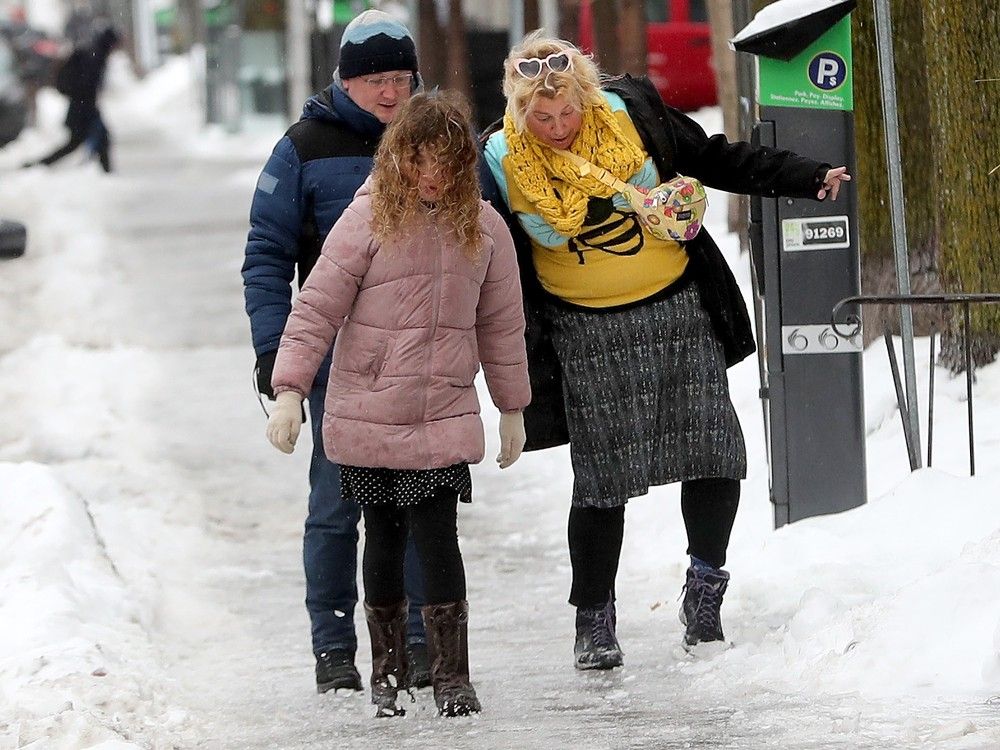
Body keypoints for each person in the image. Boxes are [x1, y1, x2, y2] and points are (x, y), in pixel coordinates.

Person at [480, 32, 851, 668]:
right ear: (519, 110)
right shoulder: (499, 157)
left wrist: (805, 176)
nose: (558, 127)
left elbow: (714, 158)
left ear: (585, 94)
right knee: (601, 478)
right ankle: (594, 620)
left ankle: (705, 590)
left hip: (677, 310)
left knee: (712, 450)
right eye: (541, 117)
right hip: (585, 331)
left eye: (567, 111)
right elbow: (484, 254)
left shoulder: (632, 115)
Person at [264, 91, 531, 718]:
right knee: (381, 538)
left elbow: (502, 326)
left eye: (444, 161)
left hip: (442, 408)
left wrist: (513, 406)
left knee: (439, 538)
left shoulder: (486, 228)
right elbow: (317, 308)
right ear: (398, 159)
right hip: (370, 408)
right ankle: (385, 671)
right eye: (419, 160)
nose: (432, 174)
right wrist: (289, 391)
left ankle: (451, 674)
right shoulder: (365, 221)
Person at [242, 10, 436, 694]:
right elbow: (266, 256)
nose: (390, 93)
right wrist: (276, 354)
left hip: (417, 363)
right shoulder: (303, 148)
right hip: (335, 367)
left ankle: (415, 641)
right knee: (336, 508)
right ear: (346, 82)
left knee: (419, 504)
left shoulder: (435, 144)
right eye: (375, 80)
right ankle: (333, 648)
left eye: (401, 78)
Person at [24, 23, 118, 172]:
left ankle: (105, 171)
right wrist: (89, 105)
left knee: (90, 140)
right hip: (83, 108)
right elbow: (86, 85)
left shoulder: (94, 54)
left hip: (82, 106)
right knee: (80, 141)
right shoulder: (95, 57)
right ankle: (38, 165)